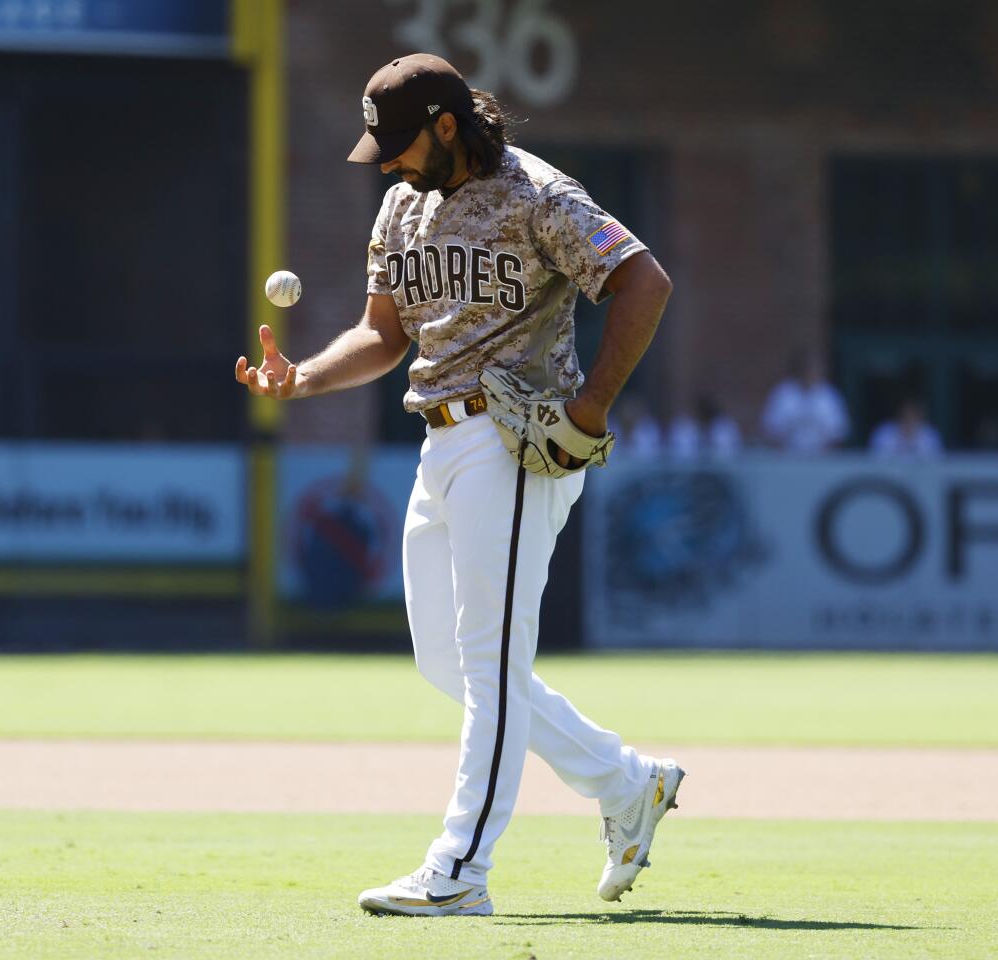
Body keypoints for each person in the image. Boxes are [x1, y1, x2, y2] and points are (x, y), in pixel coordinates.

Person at [235, 54, 682, 917]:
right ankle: (629, 783)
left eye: (399, 144)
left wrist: (591, 408)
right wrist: (304, 379)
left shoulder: (539, 194)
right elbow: (382, 335)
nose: (389, 161)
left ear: (448, 126)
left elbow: (643, 281)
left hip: (516, 440)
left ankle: (460, 870)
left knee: (489, 662)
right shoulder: (402, 205)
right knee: (449, 661)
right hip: (439, 441)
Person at [760, 349, 849, 452]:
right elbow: (769, 431)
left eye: (815, 367)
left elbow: (838, 435)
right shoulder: (783, 394)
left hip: (822, 462)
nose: (810, 371)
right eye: (807, 367)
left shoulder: (830, 396)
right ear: (798, 369)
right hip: (786, 461)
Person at [668, 394, 742, 460]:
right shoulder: (689, 426)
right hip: (695, 467)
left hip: (722, 467)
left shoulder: (725, 426)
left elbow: (735, 448)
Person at [869, 399, 943, 457]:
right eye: (906, 414)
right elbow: (876, 461)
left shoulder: (929, 434)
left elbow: (935, 462)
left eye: (914, 414)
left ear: (921, 416)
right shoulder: (884, 432)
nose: (909, 418)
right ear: (899, 414)